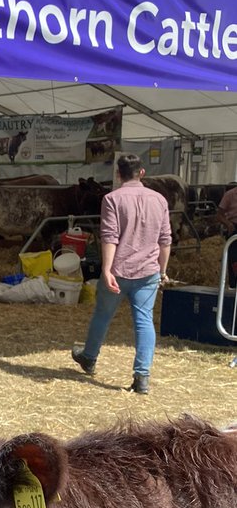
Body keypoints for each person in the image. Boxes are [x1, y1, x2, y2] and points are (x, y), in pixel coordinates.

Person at [71, 153, 171, 394]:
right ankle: (142, 376)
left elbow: (109, 237)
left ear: (118, 174)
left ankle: (89, 357)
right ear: (142, 173)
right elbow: (165, 240)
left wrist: (106, 269)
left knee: (102, 315)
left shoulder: (112, 199)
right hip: (148, 271)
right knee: (144, 321)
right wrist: (163, 271)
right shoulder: (159, 200)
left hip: (119, 270)